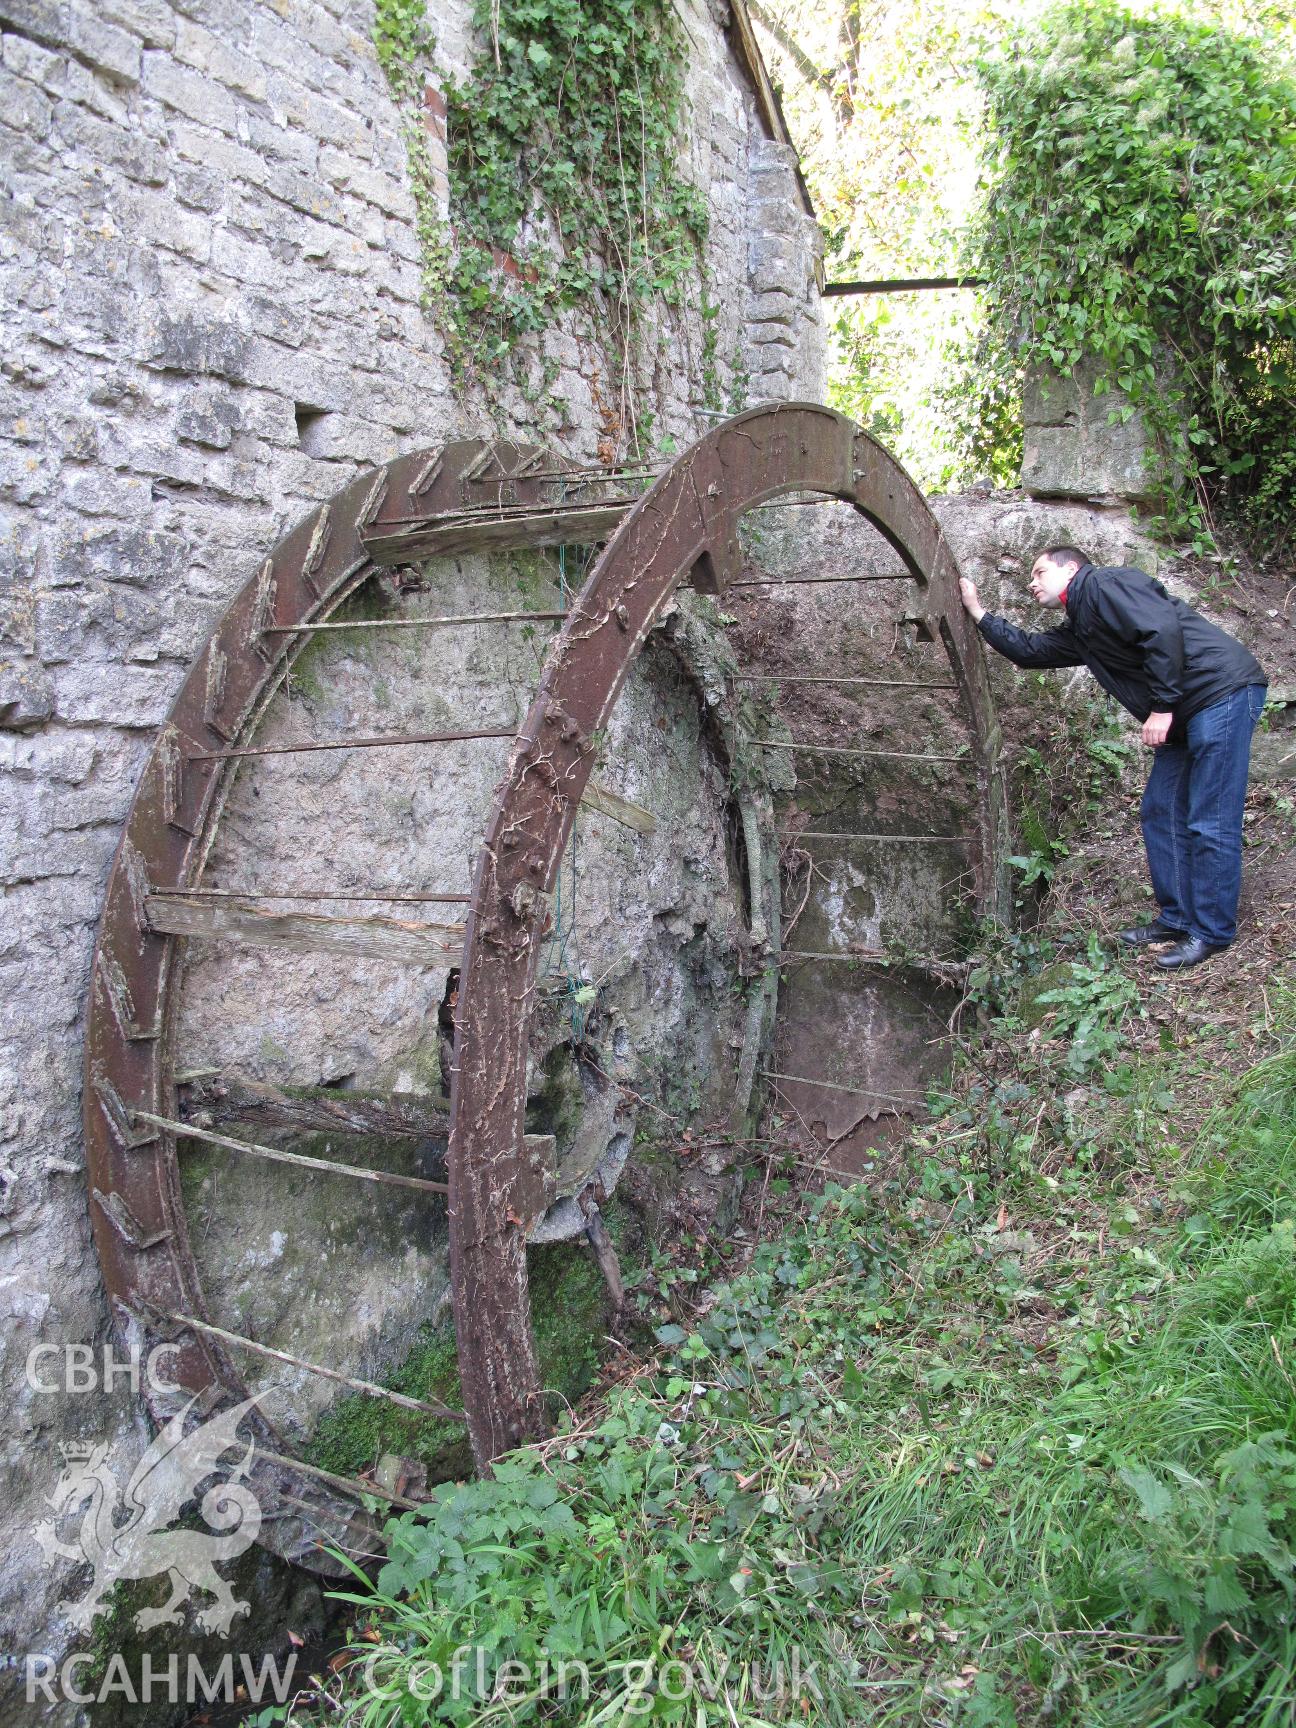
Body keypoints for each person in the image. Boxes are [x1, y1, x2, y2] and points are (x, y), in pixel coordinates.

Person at [959, 546, 1268, 970]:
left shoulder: (1106, 584)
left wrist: (1162, 707)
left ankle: (1211, 932)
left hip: (1219, 693)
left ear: (1072, 569)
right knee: (1160, 811)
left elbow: (1160, 630)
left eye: (1040, 571)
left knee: (1209, 818)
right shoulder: (1083, 627)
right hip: (1185, 712)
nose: (1032, 582)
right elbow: (1030, 651)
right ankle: (1177, 919)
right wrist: (978, 612)